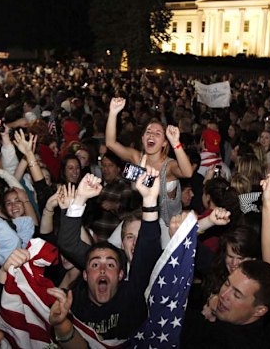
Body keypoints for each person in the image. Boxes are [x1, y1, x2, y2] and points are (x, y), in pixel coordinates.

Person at [53, 166, 162, 340]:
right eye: (130, 237)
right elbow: (68, 243)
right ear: (86, 274)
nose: (102, 269)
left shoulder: (138, 285)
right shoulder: (76, 298)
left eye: (139, 239)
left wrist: (149, 200)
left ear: (120, 275)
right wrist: (80, 199)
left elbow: (147, 252)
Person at [106, 97, 193, 227]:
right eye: (148, 132)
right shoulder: (136, 158)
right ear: (142, 138)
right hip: (140, 217)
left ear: (164, 142)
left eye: (157, 133)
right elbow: (111, 143)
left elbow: (188, 173)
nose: (151, 135)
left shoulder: (168, 166)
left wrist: (176, 143)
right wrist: (113, 113)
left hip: (167, 225)